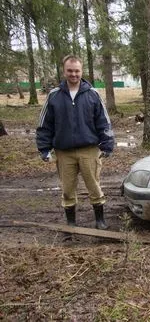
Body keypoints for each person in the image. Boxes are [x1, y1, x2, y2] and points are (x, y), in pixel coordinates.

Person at [36, 55, 114, 230]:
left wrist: (107, 144)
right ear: (64, 71)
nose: (73, 74)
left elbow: (104, 121)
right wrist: (44, 149)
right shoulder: (54, 96)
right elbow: (44, 125)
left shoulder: (93, 94)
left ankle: (99, 220)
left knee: (94, 186)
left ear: (81, 71)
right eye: (70, 71)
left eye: (76, 71)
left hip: (89, 150)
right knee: (67, 189)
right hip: (64, 152)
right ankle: (71, 223)